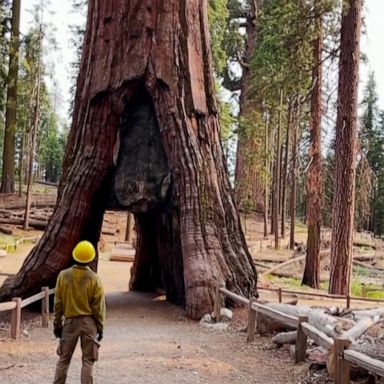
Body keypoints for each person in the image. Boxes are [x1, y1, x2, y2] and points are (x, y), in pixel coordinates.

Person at [53, 240, 106, 384]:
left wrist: (57, 325)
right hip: (89, 323)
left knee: (64, 359)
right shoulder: (95, 279)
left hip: (69, 322)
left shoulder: (63, 276)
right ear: (91, 258)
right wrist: (100, 327)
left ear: (74, 255)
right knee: (88, 361)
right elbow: (98, 307)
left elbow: (58, 303)